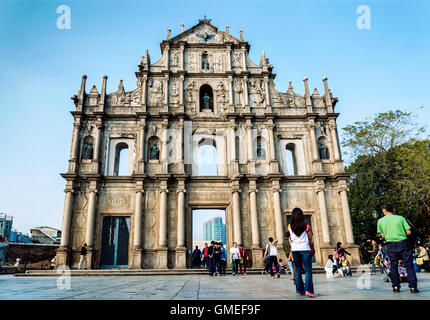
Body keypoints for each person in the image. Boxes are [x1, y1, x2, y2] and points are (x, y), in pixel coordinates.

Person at [377, 203, 419, 293]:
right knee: (409, 266)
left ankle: (396, 286)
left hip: (391, 245)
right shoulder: (400, 218)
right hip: (403, 243)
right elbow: (408, 232)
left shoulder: (380, 221)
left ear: (384, 210)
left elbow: (383, 235)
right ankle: (413, 287)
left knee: (393, 266)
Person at [288, 207, 316, 297]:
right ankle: (309, 290)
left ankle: (300, 291)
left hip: (295, 250)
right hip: (305, 249)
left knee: (298, 270)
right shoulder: (306, 226)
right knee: (308, 271)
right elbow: (310, 236)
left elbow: (289, 237)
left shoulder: (289, 226)